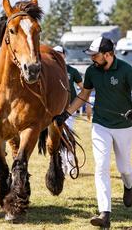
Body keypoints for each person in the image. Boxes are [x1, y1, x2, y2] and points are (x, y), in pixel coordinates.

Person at [53, 37, 132, 228]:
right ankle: (105, 214)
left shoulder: (125, 69)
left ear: (108, 54)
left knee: (124, 168)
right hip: (100, 125)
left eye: (95, 55)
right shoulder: (91, 71)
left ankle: (128, 185)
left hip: (123, 126)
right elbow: (83, 96)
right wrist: (65, 114)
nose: (92, 58)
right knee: (101, 167)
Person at [53, 45, 91, 175]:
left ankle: (71, 164)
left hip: (69, 108)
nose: (57, 55)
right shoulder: (48, 71)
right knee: (56, 138)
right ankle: (61, 164)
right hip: (54, 110)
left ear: (64, 55)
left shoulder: (72, 71)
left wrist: (88, 105)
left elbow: (83, 89)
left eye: (60, 53)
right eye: (55, 53)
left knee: (68, 136)